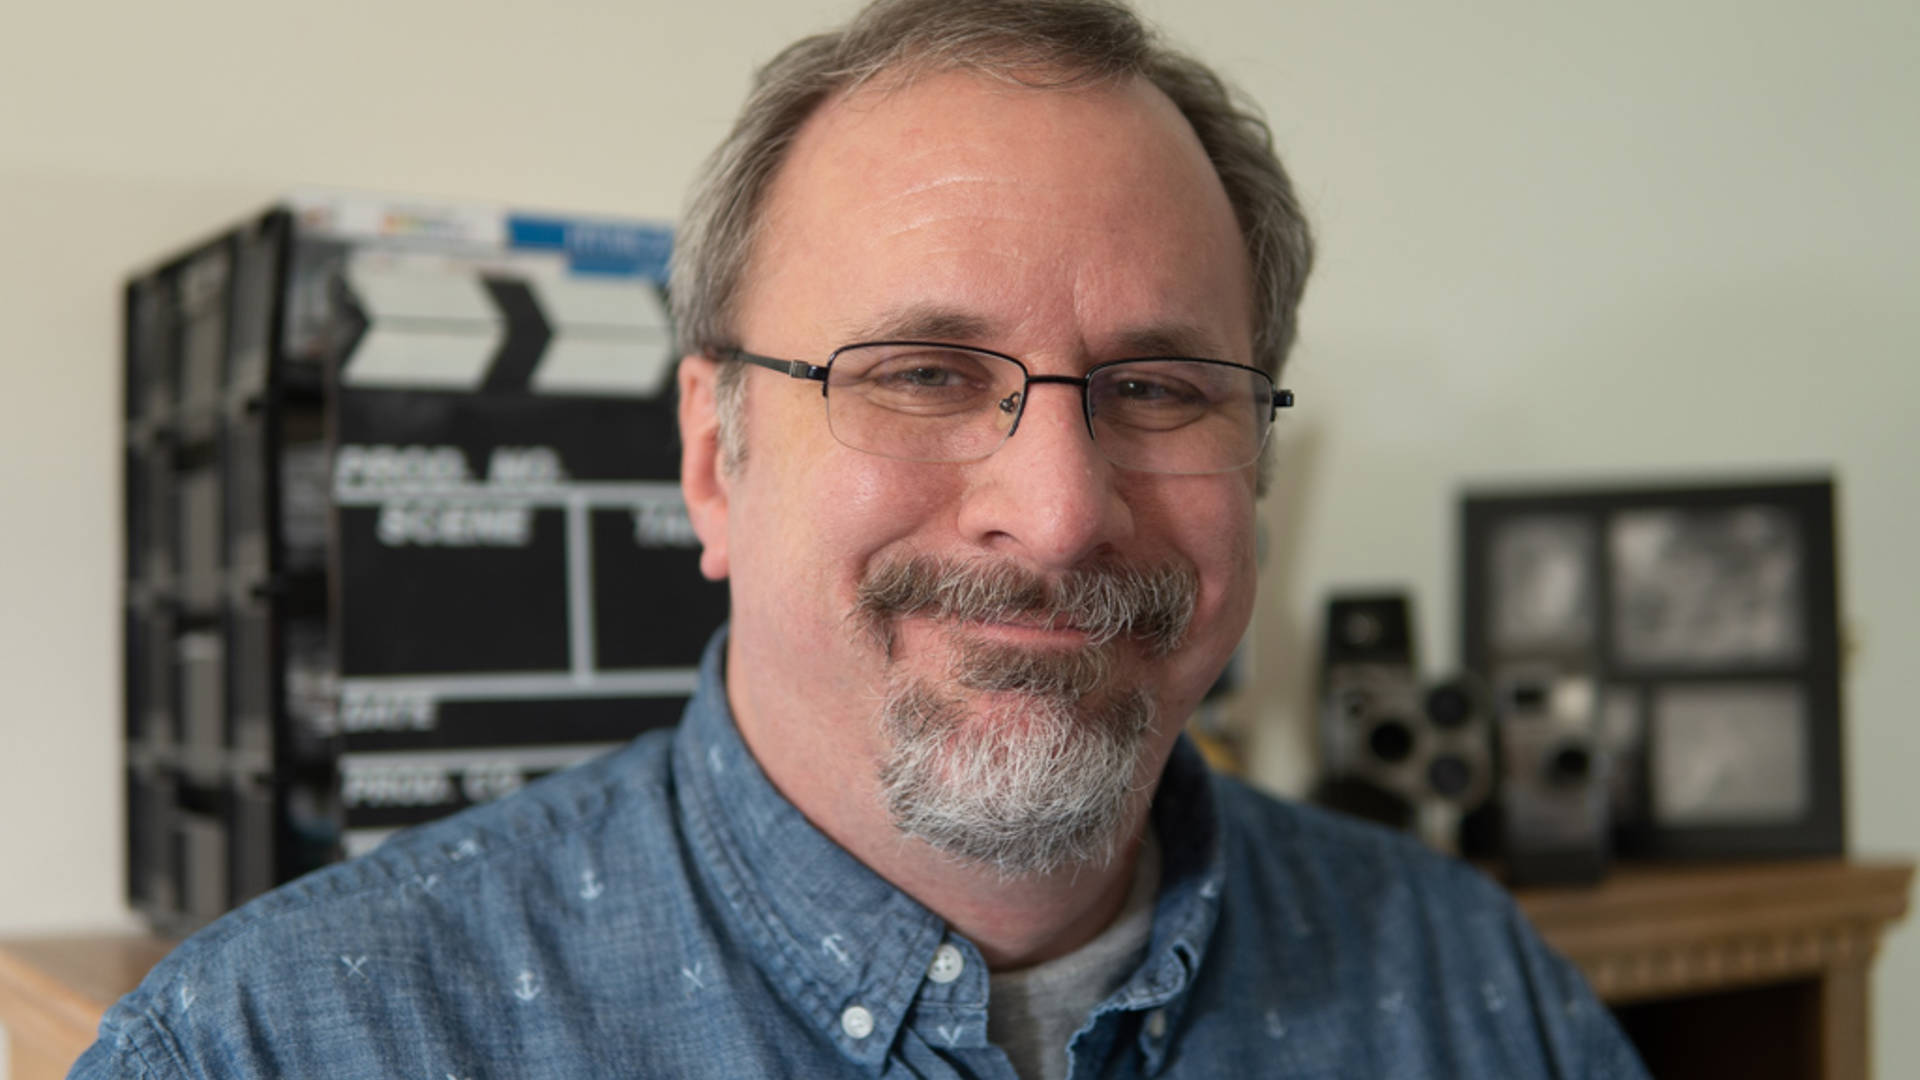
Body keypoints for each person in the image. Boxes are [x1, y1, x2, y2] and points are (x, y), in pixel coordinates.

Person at [74, 1, 1648, 1077]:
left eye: (1161, 387)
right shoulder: (287, 1043)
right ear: (713, 458)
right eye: (920, 374)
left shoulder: (1473, 992)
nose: (1055, 506)